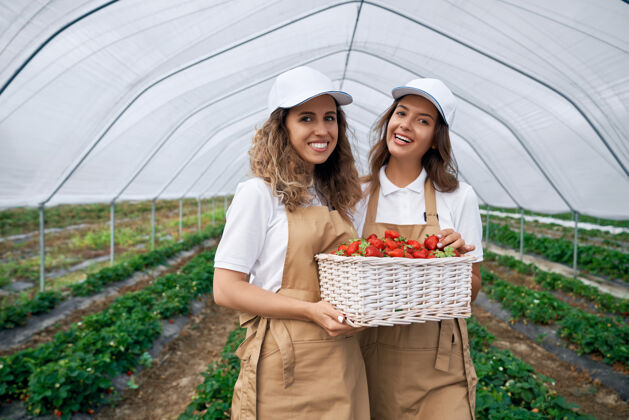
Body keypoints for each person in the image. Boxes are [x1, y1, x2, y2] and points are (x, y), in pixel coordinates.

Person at [213, 66, 369, 419]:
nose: (322, 130)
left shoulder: (337, 196)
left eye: (330, 118)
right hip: (286, 361)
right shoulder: (259, 194)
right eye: (306, 118)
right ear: (281, 128)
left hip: (343, 358)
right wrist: (310, 310)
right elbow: (225, 289)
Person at [353, 78, 483, 419]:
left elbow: (472, 287)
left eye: (423, 120)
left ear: (437, 140)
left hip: (437, 363)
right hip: (367, 354)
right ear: (388, 120)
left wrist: (458, 261)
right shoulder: (357, 196)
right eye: (401, 113)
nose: (406, 125)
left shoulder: (457, 197)